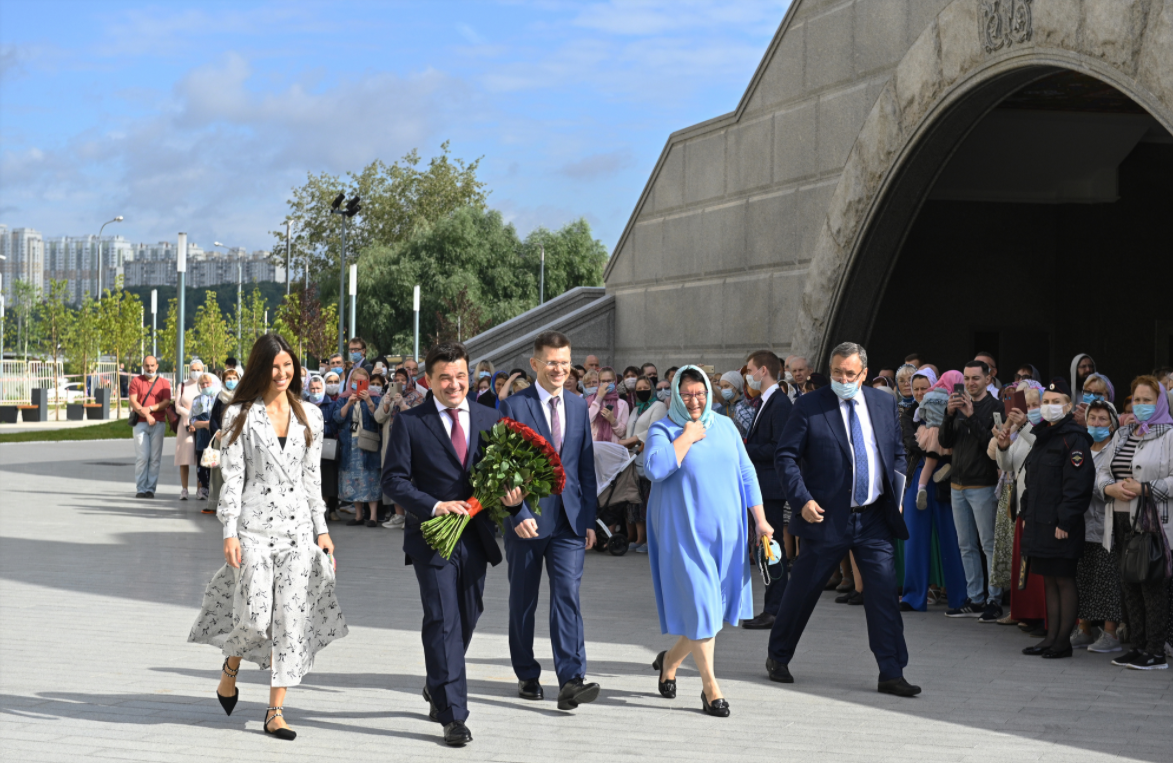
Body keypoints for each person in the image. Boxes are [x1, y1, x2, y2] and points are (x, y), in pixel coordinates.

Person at [188, 332, 345, 741]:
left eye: (288, 365)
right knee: (255, 613)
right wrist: (229, 532)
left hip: (296, 532)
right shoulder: (239, 413)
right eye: (274, 366)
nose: (282, 373)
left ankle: (275, 710)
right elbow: (233, 478)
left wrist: (322, 531)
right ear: (261, 367)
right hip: (253, 529)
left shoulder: (311, 414)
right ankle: (231, 667)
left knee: (289, 620)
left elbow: (313, 480)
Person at [382, 342, 526, 746]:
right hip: (432, 538)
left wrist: (515, 505)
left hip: (476, 537)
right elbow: (393, 480)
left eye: (460, 376)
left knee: (467, 613)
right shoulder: (411, 422)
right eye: (444, 377)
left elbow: (503, 475)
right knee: (443, 619)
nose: (453, 384)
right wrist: (434, 505)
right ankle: (453, 714)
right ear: (428, 380)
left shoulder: (489, 417)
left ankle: (437, 682)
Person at [767, 342, 920, 697]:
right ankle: (778, 655)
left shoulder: (883, 403)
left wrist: (896, 492)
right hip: (825, 519)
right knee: (803, 591)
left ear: (864, 373)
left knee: (882, 593)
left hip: (873, 519)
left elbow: (896, 451)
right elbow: (786, 456)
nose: (843, 379)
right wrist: (801, 499)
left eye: (850, 374)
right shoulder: (809, 405)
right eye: (837, 372)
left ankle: (891, 671)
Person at [645, 366, 772, 717]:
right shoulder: (663, 428)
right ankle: (710, 688)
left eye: (699, 393)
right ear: (674, 394)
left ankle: (669, 661)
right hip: (682, 533)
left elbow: (747, 473)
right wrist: (686, 437)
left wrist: (760, 520)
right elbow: (654, 469)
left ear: (709, 393)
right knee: (703, 607)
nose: (694, 400)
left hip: (726, 536)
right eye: (686, 394)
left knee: (711, 614)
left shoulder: (727, 426)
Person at [498, 331, 601, 711]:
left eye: (565, 362)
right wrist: (517, 513)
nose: (560, 369)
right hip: (527, 522)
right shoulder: (513, 407)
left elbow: (584, 466)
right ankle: (526, 673)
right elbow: (500, 467)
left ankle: (571, 679)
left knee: (567, 597)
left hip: (570, 523)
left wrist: (589, 518)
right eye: (552, 362)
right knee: (523, 601)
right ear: (536, 364)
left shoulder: (577, 405)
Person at [1010, 379, 1094, 659]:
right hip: (1039, 522)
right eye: (1046, 401)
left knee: (1064, 580)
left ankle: (1062, 642)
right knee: (1048, 580)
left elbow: (1077, 486)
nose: (1049, 407)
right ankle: (1051, 637)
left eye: (1056, 402)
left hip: (1060, 526)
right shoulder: (1044, 436)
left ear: (1069, 407)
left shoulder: (1074, 438)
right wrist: (1025, 513)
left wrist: (1065, 522)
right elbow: (1033, 479)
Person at [1096, 377, 1173, 670]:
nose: (1141, 405)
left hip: (1151, 521)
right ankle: (1137, 646)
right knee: (1128, 584)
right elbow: (1104, 470)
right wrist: (1108, 488)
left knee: (1151, 585)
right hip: (1118, 517)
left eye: (1147, 400)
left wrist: (1145, 488)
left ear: (1160, 403)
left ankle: (1155, 651)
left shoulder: (1169, 435)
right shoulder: (1124, 433)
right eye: (1136, 400)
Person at [939, 359, 1003, 622]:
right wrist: (949, 414)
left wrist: (971, 416)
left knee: (989, 544)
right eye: (966, 378)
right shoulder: (958, 404)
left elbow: (993, 446)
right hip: (958, 484)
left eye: (975, 378)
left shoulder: (995, 407)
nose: (970, 383)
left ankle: (994, 600)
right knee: (965, 545)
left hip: (983, 484)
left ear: (988, 379)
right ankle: (975, 598)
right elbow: (945, 442)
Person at [901, 367, 968, 613]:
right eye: (915, 388)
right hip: (920, 471)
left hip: (948, 475)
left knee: (951, 536)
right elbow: (910, 441)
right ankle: (913, 597)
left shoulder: (956, 409)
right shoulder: (909, 413)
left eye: (923, 387)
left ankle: (960, 597)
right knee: (914, 536)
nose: (918, 393)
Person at [740, 351, 794, 630]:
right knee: (768, 549)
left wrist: (745, 449)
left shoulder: (779, 403)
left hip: (770, 486)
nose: (748, 375)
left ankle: (775, 609)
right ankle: (774, 607)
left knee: (772, 549)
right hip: (763, 485)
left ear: (763, 371)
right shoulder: (766, 401)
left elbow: (778, 447)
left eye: (750, 370)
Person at [1071, 398, 1124, 653]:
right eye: (1092, 418)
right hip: (1082, 524)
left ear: (1112, 424)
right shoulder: (1081, 446)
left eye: (1103, 419)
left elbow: (1110, 483)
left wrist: (1084, 485)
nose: (1096, 423)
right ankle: (1083, 629)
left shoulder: (1117, 449)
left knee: (1108, 580)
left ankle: (1111, 633)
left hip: (1106, 524)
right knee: (1083, 577)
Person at [375, 367, 425, 529]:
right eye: (397, 379)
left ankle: (410, 515)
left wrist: (403, 404)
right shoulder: (387, 396)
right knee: (394, 476)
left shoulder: (417, 396)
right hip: (391, 443)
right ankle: (398, 515)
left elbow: (418, 419)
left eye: (403, 380)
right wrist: (387, 405)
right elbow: (378, 418)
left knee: (409, 478)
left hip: (409, 444)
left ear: (409, 381)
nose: (400, 383)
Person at [333, 367, 383, 527]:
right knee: (354, 480)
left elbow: (378, 418)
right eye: (355, 381)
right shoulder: (343, 398)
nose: (358, 384)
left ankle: (373, 516)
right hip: (350, 445)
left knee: (371, 479)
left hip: (368, 444)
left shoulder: (375, 398)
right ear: (350, 382)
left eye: (362, 381)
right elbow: (337, 418)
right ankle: (359, 515)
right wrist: (348, 404)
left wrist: (368, 401)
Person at [129, 355, 173, 499]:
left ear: (157, 366)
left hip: (158, 423)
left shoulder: (164, 382)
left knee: (155, 458)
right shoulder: (136, 381)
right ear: (143, 366)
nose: (150, 368)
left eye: (152, 365)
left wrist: (151, 409)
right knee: (142, 457)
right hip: (141, 424)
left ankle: (150, 489)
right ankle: (140, 489)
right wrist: (146, 414)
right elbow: (133, 402)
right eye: (147, 365)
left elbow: (166, 402)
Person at [203, 367, 240, 515]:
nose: (231, 382)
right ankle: (214, 503)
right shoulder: (220, 396)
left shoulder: (243, 396)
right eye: (228, 379)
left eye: (234, 378)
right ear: (223, 381)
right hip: (221, 438)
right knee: (217, 471)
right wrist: (217, 431)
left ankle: (234, 503)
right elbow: (213, 418)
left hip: (237, 439)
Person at [174, 358, 206, 500]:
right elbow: (178, 406)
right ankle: (184, 489)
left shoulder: (205, 386)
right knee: (184, 457)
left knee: (200, 457)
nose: (196, 372)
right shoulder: (182, 386)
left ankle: (200, 489)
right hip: (185, 425)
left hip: (202, 425)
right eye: (193, 369)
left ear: (203, 371)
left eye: (199, 370)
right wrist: (190, 418)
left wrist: (197, 420)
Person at [189, 372, 221, 501]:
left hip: (217, 438)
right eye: (202, 384)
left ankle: (216, 493)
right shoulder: (197, 400)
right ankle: (204, 490)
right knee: (202, 467)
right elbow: (193, 420)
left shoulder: (220, 398)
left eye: (207, 383)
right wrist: (205, 424)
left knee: (215, 466)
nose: (205, 385)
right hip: (203, 438)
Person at [588, 367, 629, 443]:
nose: (606, 384)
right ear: (599, 382)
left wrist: (613, 420)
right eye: (603, 381)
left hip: (613, 447)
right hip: (594, 446)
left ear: (615, 381)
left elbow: (622, 432)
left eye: (609, 381)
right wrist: (599, 397)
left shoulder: (622, 404)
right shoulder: (590, 400)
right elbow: (587, 420)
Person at [715, 371, 752, 438]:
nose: (723, 390)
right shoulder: (721, 410)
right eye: (721, 387)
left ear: (736, 387)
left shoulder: (748, 406)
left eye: (726, 386)